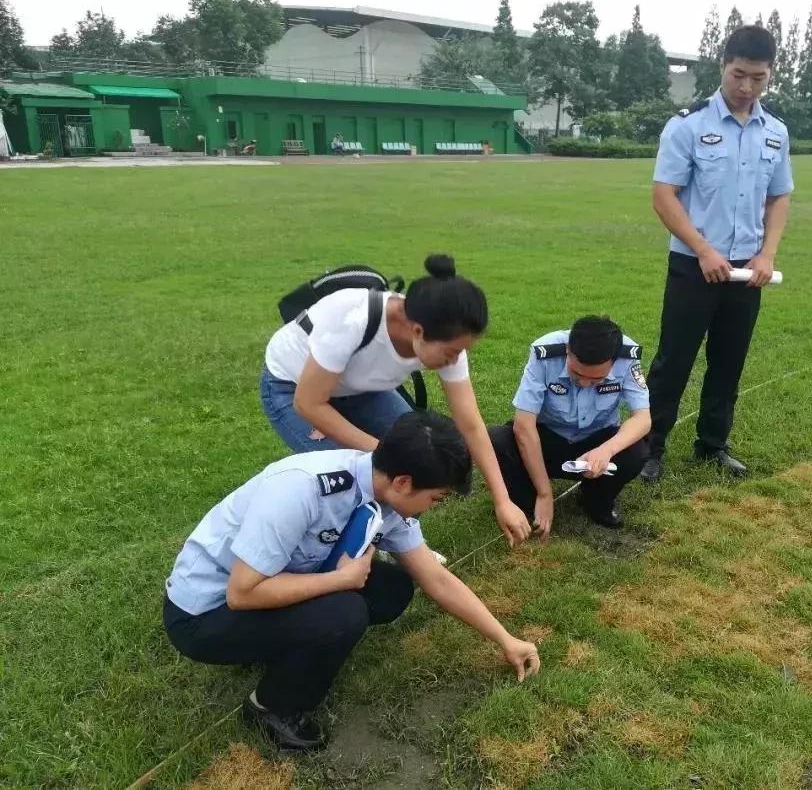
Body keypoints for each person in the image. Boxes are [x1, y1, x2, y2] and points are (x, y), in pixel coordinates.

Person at [163, 411, 540, 752]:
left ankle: (288, 644)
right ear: (405, 482)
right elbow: (242, 593)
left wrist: (505, 639)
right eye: (436, 498)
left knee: (392, 589)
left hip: (270, 584)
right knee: (344, 612)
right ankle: (272, 708)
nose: (434, 507)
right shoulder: (302, 489)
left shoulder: (385, 492)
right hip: (203, 615)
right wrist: (340, 581)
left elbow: (435, 578)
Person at [261, 255, 531, 546]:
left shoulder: (445, 338)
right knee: (358, 475)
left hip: (361, 388)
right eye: (451, 352)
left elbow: (470, 423)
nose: (455, 359)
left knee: (415, 454)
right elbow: (309, 404)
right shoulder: (352, 318)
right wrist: (387, 452)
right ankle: (350, 548)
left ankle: (404, 542)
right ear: (417, 331)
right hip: (293, 389)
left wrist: (502, 500)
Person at [640, 25, 793, 484]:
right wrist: (703, 250)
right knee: (674, 361)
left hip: (748, 271)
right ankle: (650, 450)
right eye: (739, 75)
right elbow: (664, 195)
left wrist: (767, 254)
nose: (747, 87)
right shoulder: (689, 124)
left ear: (769, 76)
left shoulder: (775, 132)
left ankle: (712, 444)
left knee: (729, 361)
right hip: (694, 266)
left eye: (758, 78)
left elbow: (779, 196)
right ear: (723, 65)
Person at [488, 316, 650, 533]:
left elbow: (642, 418)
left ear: (613, 361)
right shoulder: (544, 353)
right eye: (576, 373)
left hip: (596, 441)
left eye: (596, 380)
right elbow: (524, 426)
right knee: (498, 440)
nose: (584, 383)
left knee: (636, 450)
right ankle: (530, 499)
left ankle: (596, 500)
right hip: (549, 439)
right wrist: (545, 493)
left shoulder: (627, 356)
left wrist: (606, 450)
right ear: (567, 351)